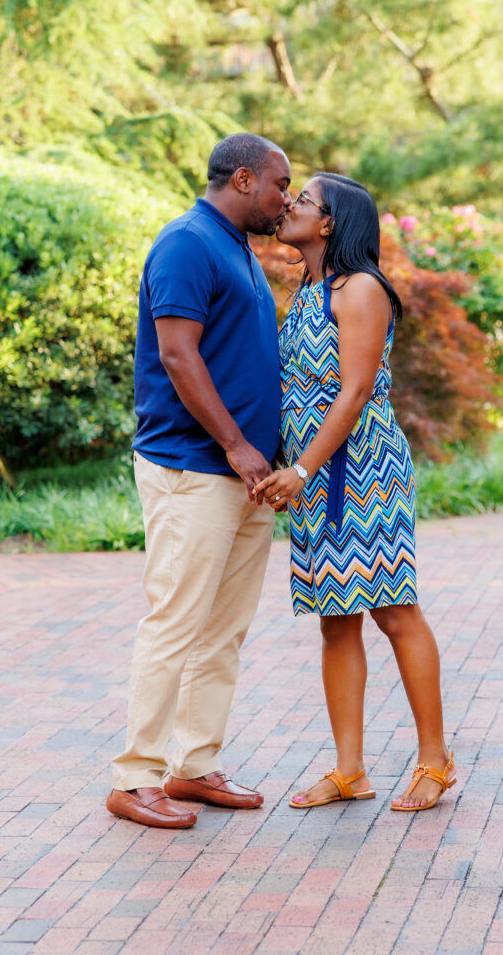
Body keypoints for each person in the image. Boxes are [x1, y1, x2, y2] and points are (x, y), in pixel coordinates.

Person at [106, 133, 292, 829]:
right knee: (175, 622)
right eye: (280, 184)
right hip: (195, 468)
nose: (286, 198)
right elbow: (178, 356)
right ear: (243, 179)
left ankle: (193, 766)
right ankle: (134, 778)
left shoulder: (237, 246)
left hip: (245, 476)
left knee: (223, 630)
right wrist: (240, 446)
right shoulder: (187, 242)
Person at [255, 173, 456, 812]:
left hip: (362, 470)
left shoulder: (360, 289)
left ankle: (435, 761)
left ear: (330, 223)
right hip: (312, 479)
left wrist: (303, 468)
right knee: (335, 624)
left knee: (395, 613)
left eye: (303, 200)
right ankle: (350, 771)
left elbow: (355, 391)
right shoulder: (307, 289)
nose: (289, 205)